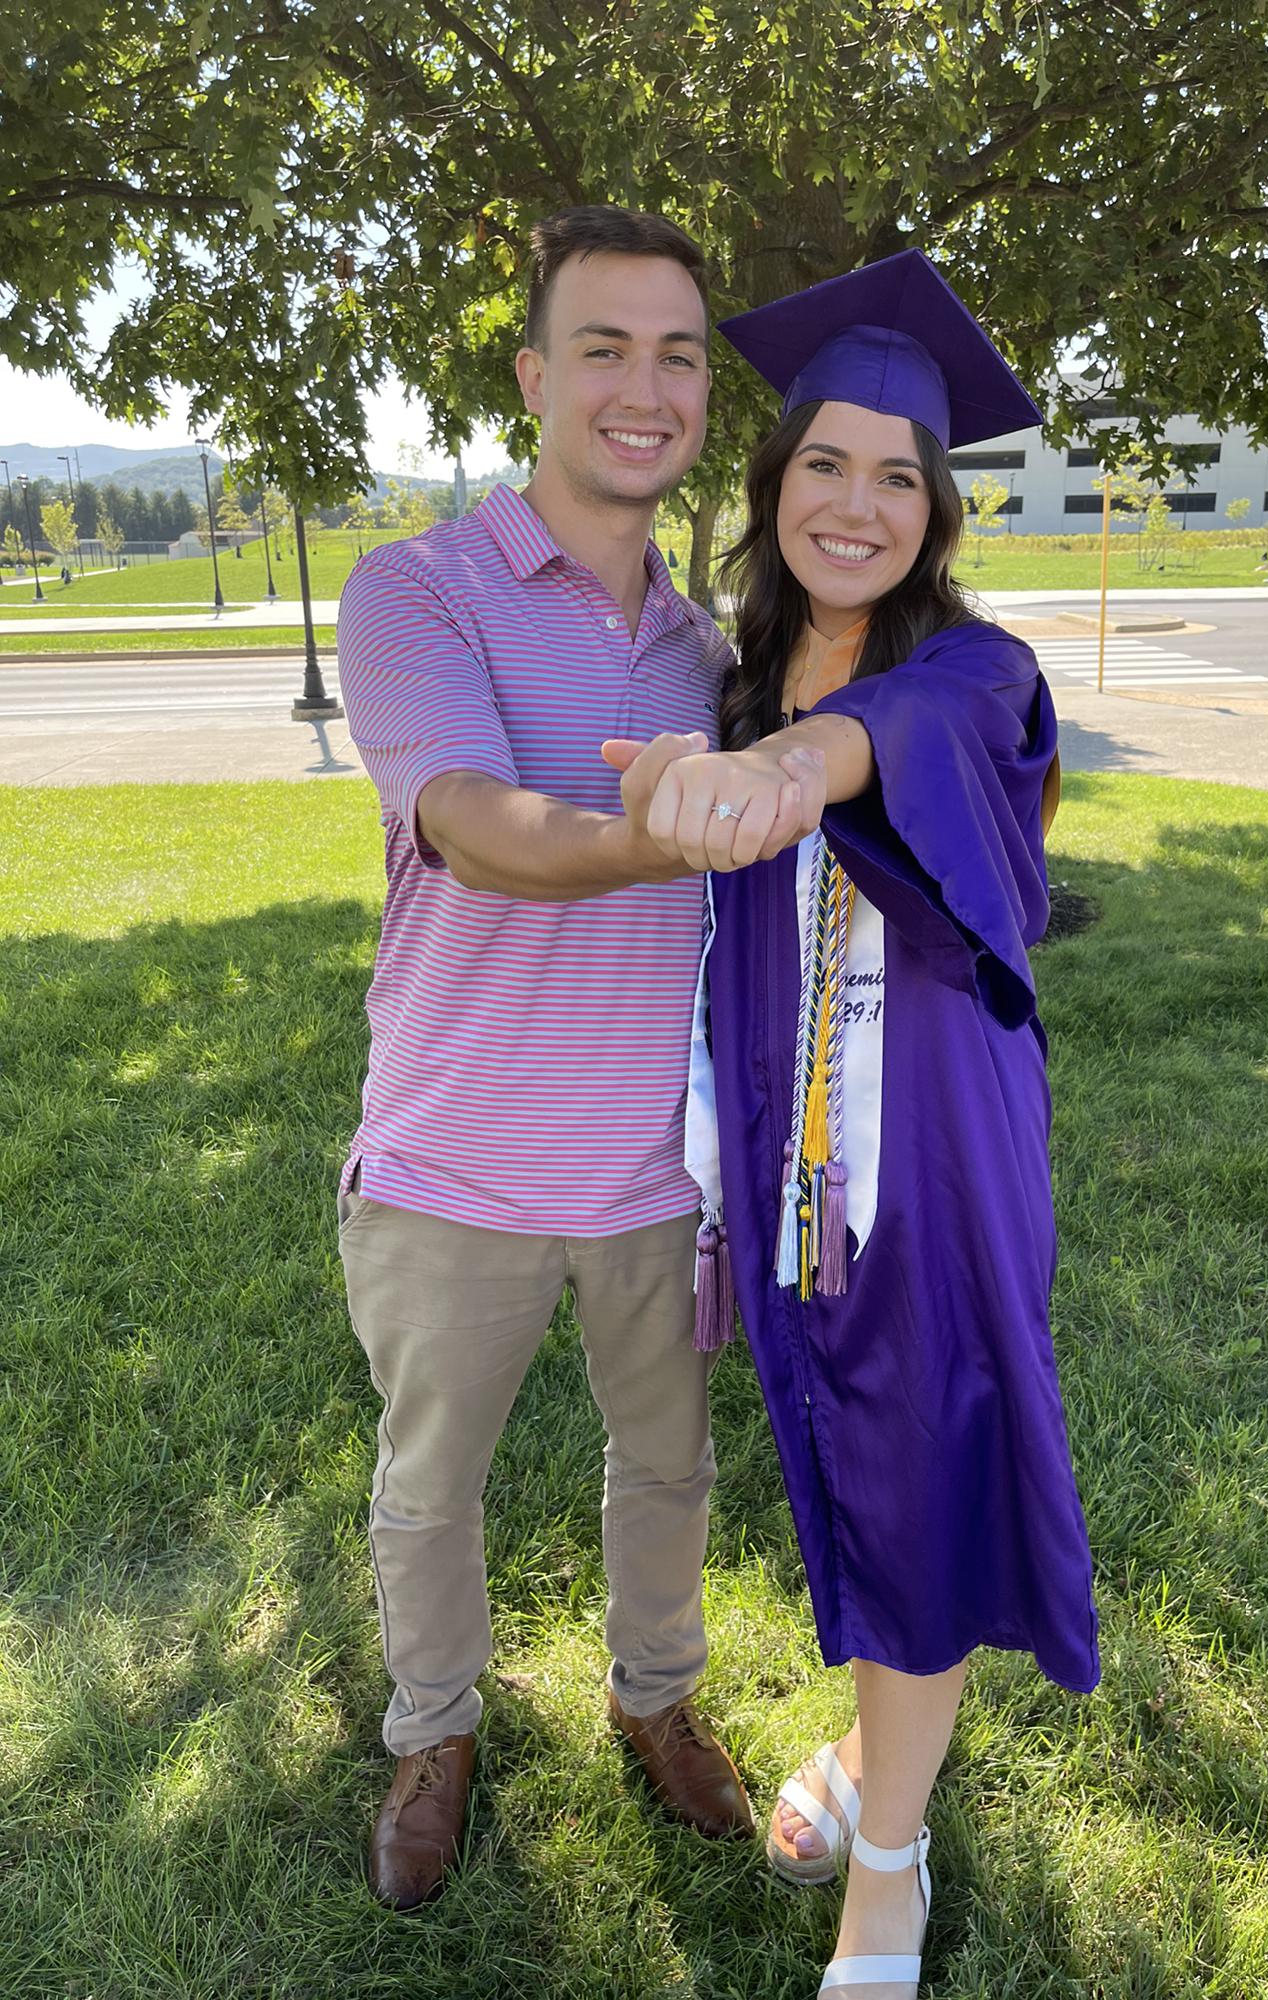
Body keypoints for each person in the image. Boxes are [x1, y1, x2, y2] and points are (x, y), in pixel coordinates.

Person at [606, 250, 1099, 1998]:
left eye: (903, 475)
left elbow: (882, 738)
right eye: (830, 461)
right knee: (850, 1459)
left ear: (936, 512)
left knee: (924, 1466)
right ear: (776, 478)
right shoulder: (724, 671)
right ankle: (884, 1759)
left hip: (932, 1158)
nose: (861, 501)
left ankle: (886, 1867)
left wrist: (785, 772)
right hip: (789, 1149)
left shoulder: (976, 673)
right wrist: (693, 769)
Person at [334, 204, 826, 1910]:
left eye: (679, 354)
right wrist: (677, 822)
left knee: (670, 1463)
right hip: (449, 1162)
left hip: (646, 1172)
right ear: (536, 377)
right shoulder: (414, 591)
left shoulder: (710, 654)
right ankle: (434, 1731)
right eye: (603, 347)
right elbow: (475, 827)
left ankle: (657, 1702)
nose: (646, 384)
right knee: (431, 1486)